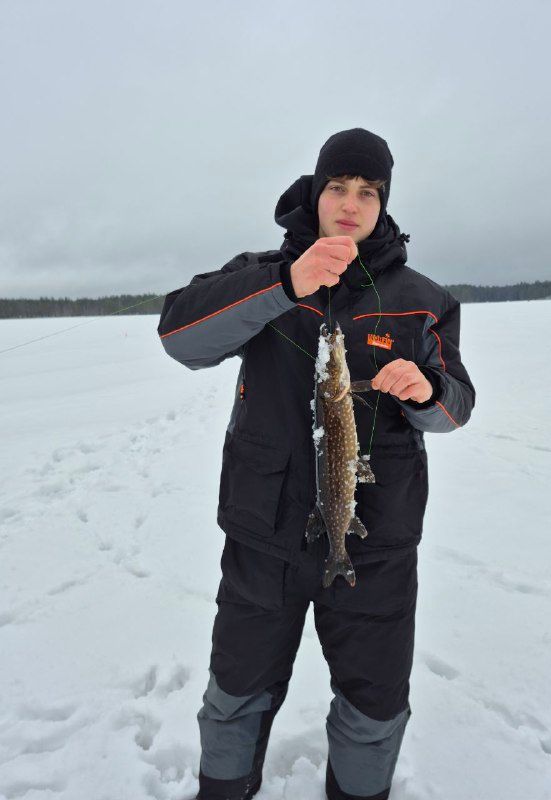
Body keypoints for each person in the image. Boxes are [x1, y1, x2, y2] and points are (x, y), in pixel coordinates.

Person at [157, 127, 476, 800]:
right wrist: (286, 282)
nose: (351, 204)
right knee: (234, 693)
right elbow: (180, 337)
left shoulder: (423, 299)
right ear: (316, 192)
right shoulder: (260, 272)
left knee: (374, 706)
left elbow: (456, 407)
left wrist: (427, 391)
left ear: (384, 203)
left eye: (369, 192)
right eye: (338, 187)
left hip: (377, 545)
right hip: (263, 536)